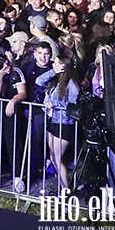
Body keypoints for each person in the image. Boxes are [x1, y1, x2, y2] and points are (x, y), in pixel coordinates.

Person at [0, 52, 27, 193]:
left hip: (11, 107)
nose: (7, 68)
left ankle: (17, 176)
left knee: (13, 141)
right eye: (3, 67)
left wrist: (13, 101)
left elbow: (23, 92)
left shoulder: (17, 72)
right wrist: (0, 76)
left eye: (8, 64)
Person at [36, 53, 80, 191]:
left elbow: (73, 104)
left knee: (57, 157)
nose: (53, 64)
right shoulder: (55, 80)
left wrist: (54, 104)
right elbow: (39, 81)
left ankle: (66, 189)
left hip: (64, 123)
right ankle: (62, 185)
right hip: (53, 120)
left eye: (56, 62)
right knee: (53, 156)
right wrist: (52, 72)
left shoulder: (72, 84)